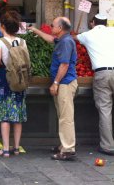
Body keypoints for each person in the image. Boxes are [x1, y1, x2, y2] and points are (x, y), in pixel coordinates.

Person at [29, 17, 78, 161]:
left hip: (65, 83)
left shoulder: (66, 42)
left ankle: (68, 149)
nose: (51, 27)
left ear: (60, 28)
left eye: (53, 25)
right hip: (63, 83)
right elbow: (50, 39)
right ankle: (64, 145)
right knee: (63, 116)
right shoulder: (62, 40)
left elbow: (64, 65)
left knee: (66, 117)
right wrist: (34, 30)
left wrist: (55, 82)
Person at [73, 14, 114, 156]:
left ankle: (108, 146)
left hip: (102, 75)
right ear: (107, 23)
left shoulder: (88, 35)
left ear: (92, 23)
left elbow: (72, 38)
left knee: (105, 110)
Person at [0, 11, 28, 157]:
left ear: (2, 27)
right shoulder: (23, 42)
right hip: (19, 79)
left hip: (4, 80)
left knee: (4, 115)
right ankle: (17, 148)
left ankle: (6, 149)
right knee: (17, 114)